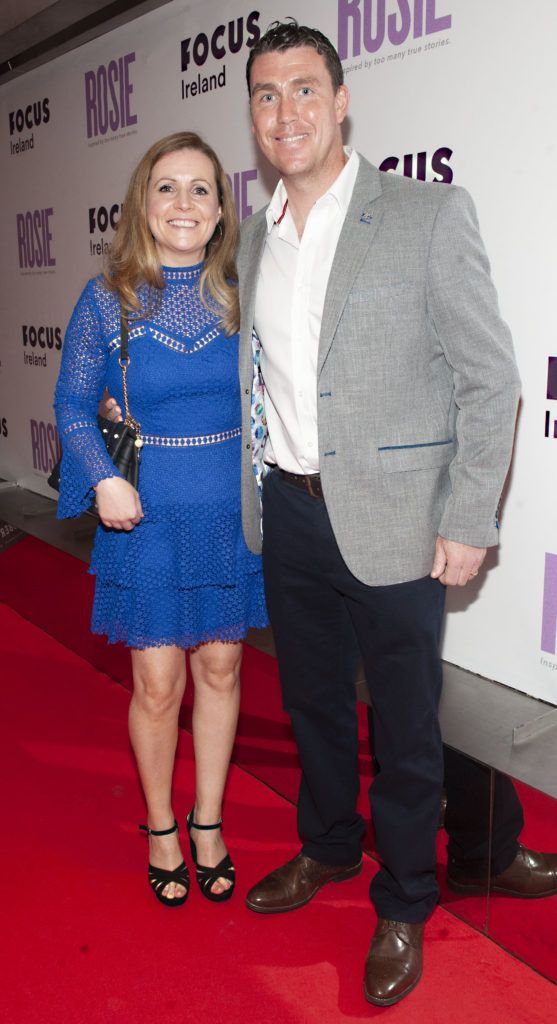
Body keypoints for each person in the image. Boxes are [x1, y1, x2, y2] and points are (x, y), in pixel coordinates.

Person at [234, 20, 522, 1007]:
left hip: (398, 518)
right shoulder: (253, 230)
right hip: (288, 510)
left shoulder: (424, 213)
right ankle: (326, 847)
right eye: (266, 95)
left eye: (303, 90)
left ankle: (404, 898)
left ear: (342, 98)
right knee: (312, 703)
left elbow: (489, 380)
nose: (286, 114)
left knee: (402, 727)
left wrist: (469, 515)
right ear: (253, 114)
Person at [53, 131, 267, 908]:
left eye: (200, 189)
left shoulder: (246, 293)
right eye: (167, 187)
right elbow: (73, 405)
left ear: (220, 212)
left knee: (222, 668)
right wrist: (103, 479)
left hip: (227, 515)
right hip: (144, 518)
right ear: (143, 204)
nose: (184, 203)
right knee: (157, 682)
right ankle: (160, 825)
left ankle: (208, 820)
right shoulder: (106, 297)